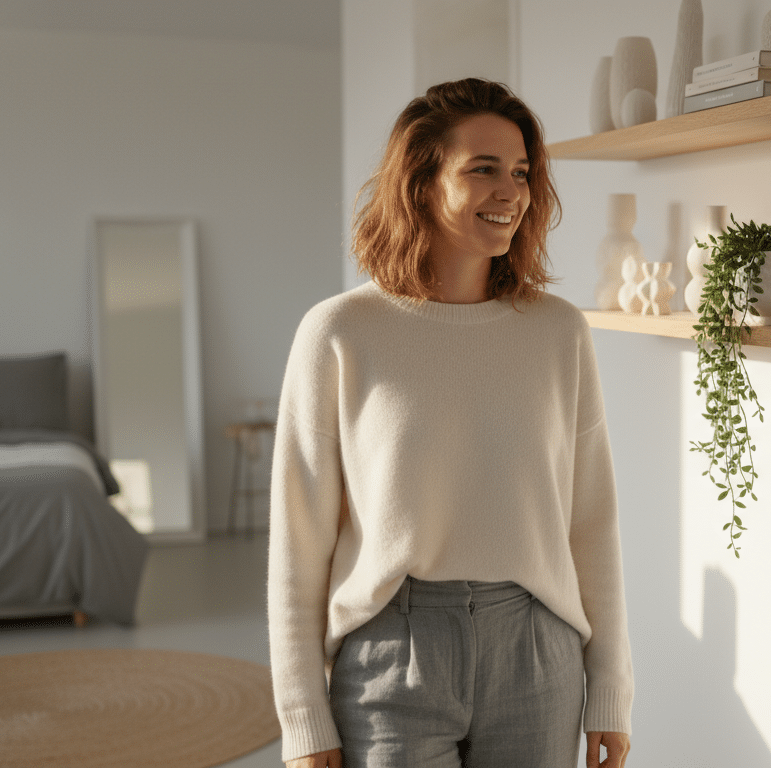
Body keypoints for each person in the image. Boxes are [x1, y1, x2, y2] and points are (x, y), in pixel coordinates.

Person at [268, 78, 633, 768]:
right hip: (390, 654)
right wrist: (302, 715)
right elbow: (299, 540)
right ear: (421, 182)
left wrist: (611, 684)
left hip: (537, 652)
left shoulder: (557, 332)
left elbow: (592, 522)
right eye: (484, 169)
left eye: (522, 172)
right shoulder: (340, 333)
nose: (513, 192)